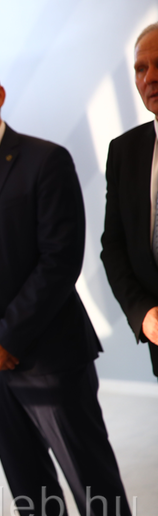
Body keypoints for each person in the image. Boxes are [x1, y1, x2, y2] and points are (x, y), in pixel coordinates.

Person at [0, 56, 135, 516]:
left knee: (95, 490)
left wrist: (7, 337)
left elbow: (60, 260)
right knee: (32, 497)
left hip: (52, 358)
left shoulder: (46, 159)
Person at [101, 22, 158, 378]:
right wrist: (143, 313)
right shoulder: (124, 151)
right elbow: (114, 246)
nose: (150, 77)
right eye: (141, 68)